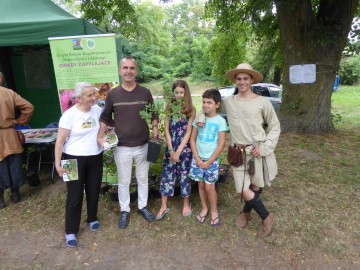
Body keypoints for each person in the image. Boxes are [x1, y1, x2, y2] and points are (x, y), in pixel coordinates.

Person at [97, 56, 159, 229]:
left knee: (142, 178)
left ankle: (142, 207)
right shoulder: (113, 94)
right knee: (124, 180)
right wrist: (99, 136)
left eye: (132, 68)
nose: (128, 71)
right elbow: (105, 116)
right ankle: (125, 211)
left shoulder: (145, 92)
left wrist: (155, 127)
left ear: (136, 71)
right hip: (122, 146)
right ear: (120, 71)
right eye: (125, 68)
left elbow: (153, 113)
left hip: (143, 145)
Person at [222, 63, 281, 238]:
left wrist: (264, 148)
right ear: (235, 80)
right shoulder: (228, 101)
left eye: (245, 78)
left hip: (257, 150)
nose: (242, 82)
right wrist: (201, 117)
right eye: (239, 79)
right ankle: (266, 216)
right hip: (238, 153)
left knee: (255, 185)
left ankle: (246, 213)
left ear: (252, 80)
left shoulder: (263, 102)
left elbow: (275, 126)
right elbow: (209, 106)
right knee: (242, 188)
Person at [55, 82, 104, 247]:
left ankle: (92, 218)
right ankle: (70, 230)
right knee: (74, 195)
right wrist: (57, 163)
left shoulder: (97, 110)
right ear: (79, 98)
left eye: (93, 94)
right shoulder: (69, 115)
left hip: (95, 157)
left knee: (93, 190)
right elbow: (60, 142)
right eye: (89, 95)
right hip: (72, 158)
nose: (93, 98)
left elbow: (105, 126)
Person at [155, 80, 196, 220]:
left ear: (186, 93)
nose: (179, 95)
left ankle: (186, 204)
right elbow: (166, 130)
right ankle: (164, 205)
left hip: (184, 148)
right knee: (167, 174)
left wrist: (179, 151)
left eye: (181, 93)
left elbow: (188, 132)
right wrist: (172, 150)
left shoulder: (191, 109)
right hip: (171, 146)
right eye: (176, 92)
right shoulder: (169, 108)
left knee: (184, 175)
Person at [189, 89, 228, 226]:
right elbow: (192, 139)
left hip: (212, 160)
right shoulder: (199, 119)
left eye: (209, 103)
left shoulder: (220, 121)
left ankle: (214, 210)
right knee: (200, 184)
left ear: (217, 104)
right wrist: (197, 159)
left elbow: (221, 144)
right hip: (198, 159)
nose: (205, 105)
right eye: (204, 102)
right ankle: (204, 208)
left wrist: (210, 161)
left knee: (209, 187)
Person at [0, 72, 34, 209]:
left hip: (8, 132)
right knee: (14, 164)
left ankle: (1, 200)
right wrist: (19, 121)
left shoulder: (8, 93)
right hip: (9, 133)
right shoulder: (8, 93)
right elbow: (29, 107)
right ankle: (15, 194)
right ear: (1, 79)